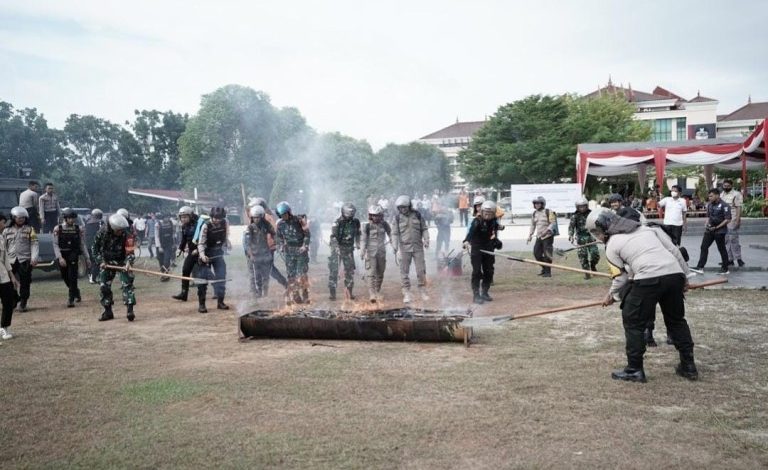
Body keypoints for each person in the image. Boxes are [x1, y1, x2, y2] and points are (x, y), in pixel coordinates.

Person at [588, 208, 697, 383]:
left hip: (648, 280)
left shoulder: (612, 245)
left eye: (597, 233)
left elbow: (621, 278)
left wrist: (611, 295)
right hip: (674, 276)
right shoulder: (650, 229)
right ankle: (689, 366)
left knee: (633, 321)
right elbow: (675, 252)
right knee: (677, 321)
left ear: (602, 229)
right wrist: (685, 278)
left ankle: (634, 369)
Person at [92, 213, 136, 322]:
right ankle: (108, 311)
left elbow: (130, 251)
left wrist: (128, 262)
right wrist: (100, 261)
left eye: (122, 230)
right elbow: (95, 249)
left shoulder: (127, 234)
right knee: (104, 286)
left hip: (122, 262)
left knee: (127, 284)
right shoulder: (102, 233)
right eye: (118, 230)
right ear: (112, 228)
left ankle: (130, 310)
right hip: (107, 262)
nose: (120, 232)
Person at [391, 195, 429, 304]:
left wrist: (426, 239)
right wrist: (395, 246)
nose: (402, 209)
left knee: (421, 270)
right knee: (404, 272)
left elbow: (424, 229)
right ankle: (406, 292)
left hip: (418, 247)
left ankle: (422, 290)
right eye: (400, 208)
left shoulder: (417, 215)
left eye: (404, 207)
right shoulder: (397, 218)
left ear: (409, 206)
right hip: (404, 248)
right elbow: (394, 233)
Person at [463, 200, 501, 304]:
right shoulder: (477, 221)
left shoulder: (493, 221)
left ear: (493, 214)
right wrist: (466, 241)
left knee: (489, 271)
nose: (488, 216)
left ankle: (484, 292)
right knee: (477, 272)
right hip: (477, 248)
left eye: (490, 214)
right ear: (482, 212)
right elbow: (471, 232)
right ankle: (476, 295)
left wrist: (498, 236)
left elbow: (495, 229)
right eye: (486, 213)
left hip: (488, 248)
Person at [53, 208, 90, 308]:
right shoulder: (58, 229)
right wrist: (60, 258)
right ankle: (76, 292)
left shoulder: (78, 229)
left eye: (73, 218)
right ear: (65, 218)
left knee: (72, 277)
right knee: (65, 277)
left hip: (73, 254)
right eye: (69, 218)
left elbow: (82, 244)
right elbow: (55, 244)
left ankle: (71, 299)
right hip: (62, 254)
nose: (72, 220)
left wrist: (87, 258)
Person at [275, 201, 311, 305]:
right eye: (282, 215)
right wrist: (281, 245)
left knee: (302, 274)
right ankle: (295, 295)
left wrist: (305, 246)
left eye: (285, 214)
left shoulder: (299, 220)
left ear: (289, 212)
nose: (284, 216)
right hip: (289, 252)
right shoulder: (280, 224)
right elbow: (279, 237)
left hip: (300, 250)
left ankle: (305, 295)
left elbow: (307, 234)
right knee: (291, 275)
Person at [4, 207, 39, 312]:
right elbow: (3, 246)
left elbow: (34, 244)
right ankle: (15, 299)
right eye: (18, 218)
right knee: (8, 282)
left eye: (23, 218)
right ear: (13, 218)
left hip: (25, 260)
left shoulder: (30, 229)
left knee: (25, 282)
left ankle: (23, 302)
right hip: (10, 260)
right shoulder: (6, 231)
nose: (21, 220)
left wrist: (34, 258)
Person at [690, 188, 731, 275]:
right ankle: (700, 267)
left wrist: (716, 227)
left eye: (711, 196)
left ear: (717, 195)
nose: (709, 198)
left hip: (720, 231)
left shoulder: (725, 205)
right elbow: (709, 217)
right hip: (710, 230)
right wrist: (706, 223)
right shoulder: (710, 205)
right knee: (703, 247)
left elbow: (727, 219)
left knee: (721, 249)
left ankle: (725, 268)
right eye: (709, 196)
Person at [198, 207, 230, 311]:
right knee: (202, 280)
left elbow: (225, 237)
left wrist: (227, 244)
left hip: (218, 255)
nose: (217, 220)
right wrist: (202, 256)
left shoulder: (224, 223)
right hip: (206, 255)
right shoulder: (205, 226)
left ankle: (220, 302)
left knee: (221, 278)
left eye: (219, 218)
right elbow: (201, 243)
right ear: (211, 216)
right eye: (215, 218)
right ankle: (202, 305)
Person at [252, 198, 288, 289]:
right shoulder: (257, 217)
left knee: (269, 269)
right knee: (262, 269)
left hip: (267, 247)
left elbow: (273, 232)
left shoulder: (266, 217)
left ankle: (284, 283)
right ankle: (260, 290)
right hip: (259, 248)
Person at [328, 203, 361, 300]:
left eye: (352, 213)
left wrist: (358, 243)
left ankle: (349, 292)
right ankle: (332, 293)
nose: (350, 215)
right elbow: (333, 237)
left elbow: (358, 233)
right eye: (348, 213)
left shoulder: (356, 222)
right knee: (334, 271)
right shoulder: (337, 222)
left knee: (349, 271)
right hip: (337, 249)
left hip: (349, 249)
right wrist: (336, 247)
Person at [172, 206, 203, 308]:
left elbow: (203, 239)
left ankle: (212, 293)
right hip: (191, 252)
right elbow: (184, 239)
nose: (183, 219)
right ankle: (184, 293)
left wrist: (198, 250)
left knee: (201, 275)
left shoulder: (199, 225)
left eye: (185, 217)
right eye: (182, 217)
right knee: (185, 270)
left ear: (191, 216)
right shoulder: (184, 227)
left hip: (200, 252)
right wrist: (180, 249)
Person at [245, 205, 276, 298]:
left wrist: (277, 242)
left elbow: (274, 233)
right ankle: (258, 294)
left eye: (258, 217)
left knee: (266, 276)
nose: (256, 219)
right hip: (255, 254)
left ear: (262, 217)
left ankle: (265, 293)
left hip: (265, 253)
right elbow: (247, 243)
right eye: (254, 218)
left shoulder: (266, 225)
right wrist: (251, 254)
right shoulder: (250, 227)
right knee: (257, 275)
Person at [362, 205, 391, 303]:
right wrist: (362, 251)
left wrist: (394, 243)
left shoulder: (385, 224)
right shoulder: (367, 226)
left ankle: (377, 290)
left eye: (378, 215)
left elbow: (391, 234)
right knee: (371, 273)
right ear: (370, 216)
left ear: (381, 216)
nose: (376, 217)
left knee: (381, 272)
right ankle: (372, 293)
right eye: (374, 215)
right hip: (371, 252)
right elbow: (363, 239)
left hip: (381, 251)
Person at [567, 197, 600, 279]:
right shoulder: (575, 216)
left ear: (587, 206)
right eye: (580, 207)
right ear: (577, 207)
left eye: (583, 206)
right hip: (580, 239)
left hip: (591, 237)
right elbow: (571, 227)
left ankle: (593, 266)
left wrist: (599, 234)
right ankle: (587, 273)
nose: (582, 208)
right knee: (583, 256)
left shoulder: (592, 214)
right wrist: (571, 235)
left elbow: (597, 224)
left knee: (595, 255)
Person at [0, 213, 20, 340]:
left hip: (3, 276)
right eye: (2, 222)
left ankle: (4, 327)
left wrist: (12, 276)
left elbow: (5, 259)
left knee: (11, 300)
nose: (4, 225)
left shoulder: (1, 238)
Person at [526, 196, 557, 278]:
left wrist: (546, 231)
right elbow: (533, 225)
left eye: (538, 203)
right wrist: (530, 235)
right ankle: (544, 268)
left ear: (542, 204)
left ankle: (548, 272)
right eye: (535, 203)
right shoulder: (534, 213)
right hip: (539, 237)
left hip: (548, 236)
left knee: (547, 255)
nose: (537, 205)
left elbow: (553, 223)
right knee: (537, 254)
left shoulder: (548, 212)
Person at [720, 179, 744, 268]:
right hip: (724, 220)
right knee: (726, 240)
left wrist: (738, 220)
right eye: (724, 186)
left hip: (733, 219)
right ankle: (729, 259)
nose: (726, 187)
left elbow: (738, 208)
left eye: (728, 186)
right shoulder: (721, 194)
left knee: (734, 239)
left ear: (731, 186)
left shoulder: (736, 194)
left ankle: (739, 258)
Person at [84, 209, 104, 284]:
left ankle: (90, 276)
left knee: (91, 261)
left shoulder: (87, 222)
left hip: (87, 245)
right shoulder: (100, 223)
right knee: (97, 261)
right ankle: (93, 278)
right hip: (96, 245)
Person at [154, 212, 175, 281]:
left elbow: (173, 235)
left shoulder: (171, 223)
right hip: (160, 245)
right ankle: (163, 274)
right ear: (163, 218)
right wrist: (159, 247)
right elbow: (156, 236)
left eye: (169, 217)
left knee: (167, 261)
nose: (168, 218)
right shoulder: (158, 224)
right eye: (167, 217)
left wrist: (174, 244)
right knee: (161, 261)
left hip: (168, 245)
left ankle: (166, 275)